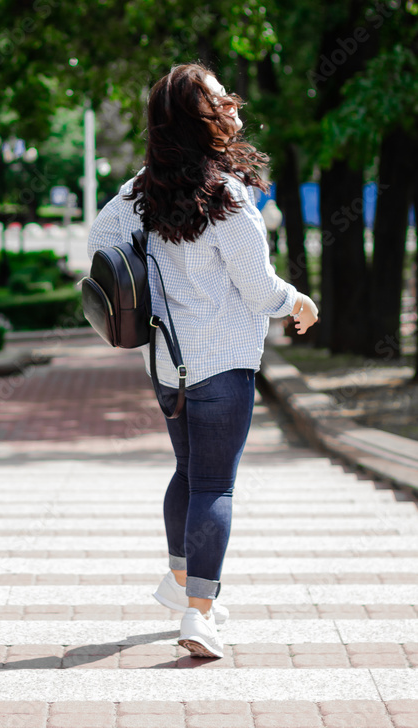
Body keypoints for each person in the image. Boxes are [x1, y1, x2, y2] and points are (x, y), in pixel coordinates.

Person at [86, 63, 318, 658]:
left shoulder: (142, 192)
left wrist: (153, 284)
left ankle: (182, 579)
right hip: (223, 364)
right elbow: (259, 289)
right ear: (199, 122)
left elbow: (99, 241)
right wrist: (298, 301)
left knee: (189, 475)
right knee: (214, 484)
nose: (234, 106)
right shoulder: (227, 198)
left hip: (168, 366)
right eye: (222, 101)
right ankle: (199, 615)